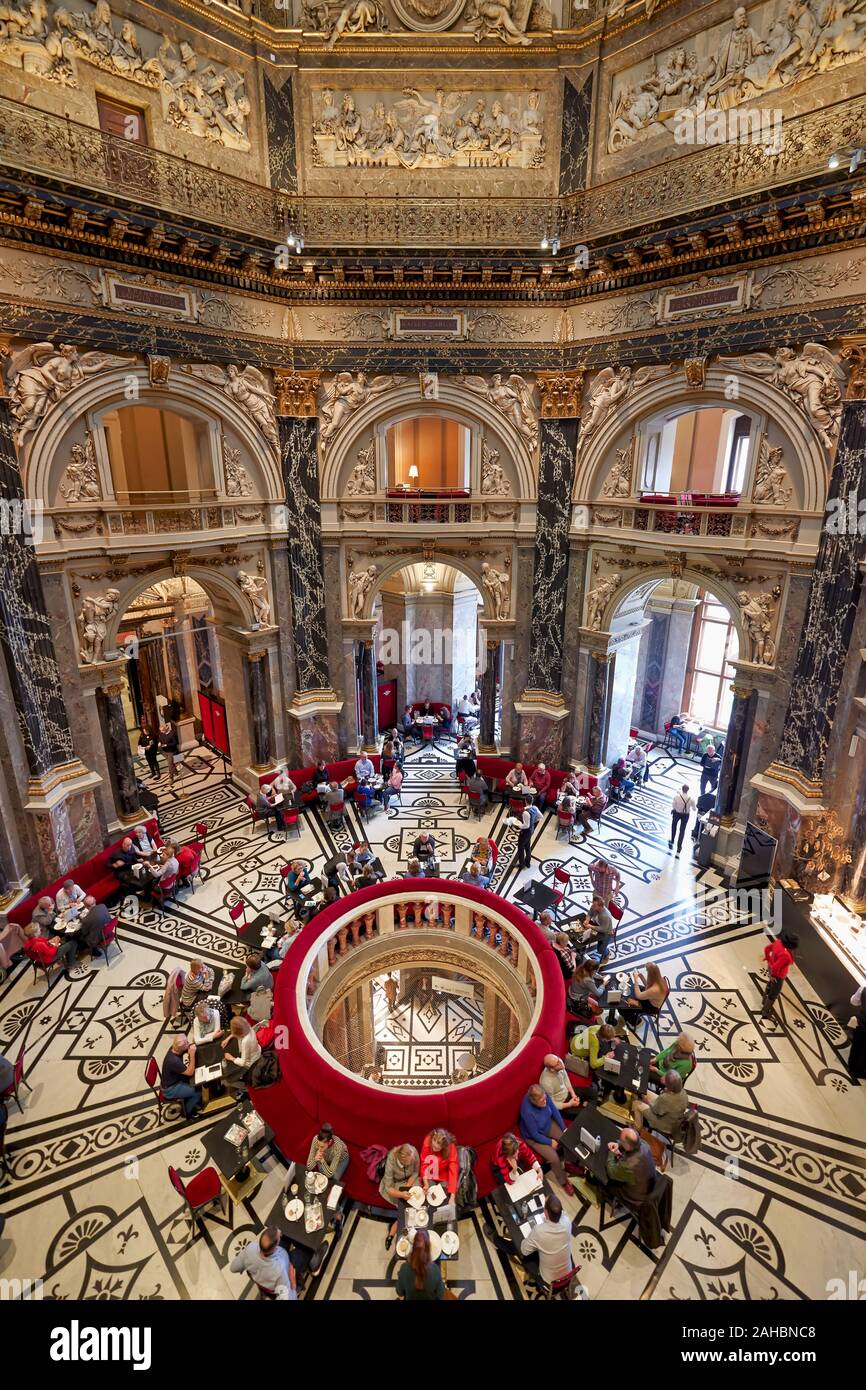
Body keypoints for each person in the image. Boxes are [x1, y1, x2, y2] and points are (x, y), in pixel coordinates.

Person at [518, 1085, 575, 1194]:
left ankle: (569, 1164)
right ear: (534, 1102)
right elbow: (534, 1134)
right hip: (534, 1137)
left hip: (547, 1124)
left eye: (545, 1098)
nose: (545, 1101)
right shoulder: (526, 1111)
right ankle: (564, 1182)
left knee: (566, 1139)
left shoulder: (542, 1094)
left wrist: (564, 1128)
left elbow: (554, 1110)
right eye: (542, 1101)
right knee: (554, 1158)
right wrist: (549, 1142)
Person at [519, 1192, 575, 1288]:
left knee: (518, 1246)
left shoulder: (539, 1231)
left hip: (549, 1279)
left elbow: (524, 1250)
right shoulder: (567, 1221)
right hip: (568, 1273)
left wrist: (532, 1237)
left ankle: (496, 1239)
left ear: (545, 1213)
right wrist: (552, 1202)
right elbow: (562, 1212)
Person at [230, 1226, 297, 1300]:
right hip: (283, 1274)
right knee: (303, 1254)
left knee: (286, 1240)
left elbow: (233, 1268)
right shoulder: (279, 1270)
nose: (280, 1235)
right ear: (276, 1246)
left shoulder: (250, 1248)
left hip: (263, 1282)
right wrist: (293, 1282)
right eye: (279, 1237)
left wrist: (245, 1262)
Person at [380, 1143, 420, 1248]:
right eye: (409, 1163)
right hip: (395, 1184)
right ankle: (394, 1232)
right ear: (401, 1162)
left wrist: (407, 1187)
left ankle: (393, 1231)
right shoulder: (391, 1160)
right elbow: (388, 1188)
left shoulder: (413, 1152)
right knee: (405, 1205)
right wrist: (402, 1194)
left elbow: (415, 1172)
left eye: (412, 1160)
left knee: (416, 1202)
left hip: (410, 1181)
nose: (412, 1162)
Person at [605, 1126, 657, 1204]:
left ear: (628, 1145)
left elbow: (611, 1172)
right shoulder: (645, 1145)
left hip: (635, 1197)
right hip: (647, 1183)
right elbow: (632, 1145)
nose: (620, 1141)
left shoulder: (629, 1165)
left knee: (605, 1182)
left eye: (622, 1141)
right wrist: (619, 1144)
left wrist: (611, 1153)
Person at [632, 1069, 688, 1137]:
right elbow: (662, 1103)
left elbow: (656, 1111)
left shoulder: (666, 1098)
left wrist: (646, 1101)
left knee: (636, 1104)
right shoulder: (683, 1092)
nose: (663, 1077)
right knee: (645, 1092)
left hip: (664, 1124)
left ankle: (637, 1130)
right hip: (672, 1118)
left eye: (665, 1077)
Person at [396, 1230, 446, 1301]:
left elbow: (400, 1293)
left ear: (413, 1247)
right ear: (428, 1248)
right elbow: (441, 1295)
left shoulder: (404, 1268)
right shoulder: (435, 1270)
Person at [161, 1034, 202, 1118]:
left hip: (175, 1079)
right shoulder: (173, 1061)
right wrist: (192, 1054)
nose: (188, 1043)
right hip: (170, 1089)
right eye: (187, 1043)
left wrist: (191, 1045)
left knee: (197, 1082)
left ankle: (193, 1100)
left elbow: (186, 1048)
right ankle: (189, 1111)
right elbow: (190, 1072)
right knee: (197, 1092)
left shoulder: (174, 1048)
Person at [761, 931, 799, 1021]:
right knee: (774, 994)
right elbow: (776, 967)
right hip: (778, 975)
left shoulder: (778, 942)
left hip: (770, 967)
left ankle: (764, 1000)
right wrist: (774, 976)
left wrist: (768, 958)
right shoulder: (786, 956)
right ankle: (765, 1011)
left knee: (770, 984)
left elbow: (767, 948)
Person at [221, 1016, 262, 1090]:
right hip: (256, 1052)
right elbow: (240, 1031)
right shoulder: (248, 1027)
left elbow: (243, 1063)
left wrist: (231, 1058)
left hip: (251, 1063)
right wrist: (228, 1038)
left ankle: (247, 1088)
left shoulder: (245, 1042)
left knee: (227, 1080)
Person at [419, 1127, 458, 1194]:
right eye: (434, 1141)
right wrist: (426, 1184)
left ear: (444, 1146)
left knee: (442, 1195)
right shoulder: (428, 1141)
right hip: (430, 1175)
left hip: (444, 1177)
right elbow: (424, 1164)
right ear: (432, 1137)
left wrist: (452, 1194)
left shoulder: (450, 1147)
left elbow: (453, 1170)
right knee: (429, 1194)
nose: (435, 1145)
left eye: (439, 1145)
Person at [576, 895, 614, 960]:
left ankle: (607, 953)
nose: (592, 906)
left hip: (606, 933)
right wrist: (587, 919)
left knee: (600, 950)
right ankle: (582, 950)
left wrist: (590, 926)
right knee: (583, 937)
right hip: (596, 926)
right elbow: (590, 913)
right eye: (592, 904)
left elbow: (603, 929)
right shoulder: (594, 907)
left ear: (600, 906)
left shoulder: (605, 916)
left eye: (594, 905)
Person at [669, 784, 695, 854]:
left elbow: (673, 805)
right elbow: (694, 809)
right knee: (682, 830)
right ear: (688, 790)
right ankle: (679, 846)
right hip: (686, 815)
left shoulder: (677, 797)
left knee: (674, 826)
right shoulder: (691, 799)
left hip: (677, 813)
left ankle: (672, 840)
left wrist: (676, 808)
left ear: (682, 789)